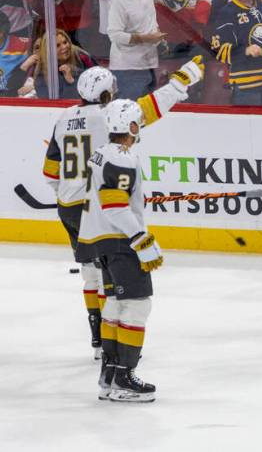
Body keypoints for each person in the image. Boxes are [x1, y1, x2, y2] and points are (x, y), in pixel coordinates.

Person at [41, 61, 203, 360]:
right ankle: (110, 346)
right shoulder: (110, 116)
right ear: (105, 94)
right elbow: (150, 107)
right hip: (99, 208)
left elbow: (51, 172)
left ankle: (96, 339)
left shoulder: (63, 118)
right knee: (111, 278)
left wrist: (69, 192)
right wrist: (181, 80)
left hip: (68, 207)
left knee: (90, 275)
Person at [77, 100, 161, 402]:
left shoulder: (102, 153)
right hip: (120, 241)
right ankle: (125, 378)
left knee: (113, 304)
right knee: (137, 305)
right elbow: (115, 206)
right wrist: (141, 238)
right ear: (131, 127)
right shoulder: (124, 158)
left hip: (101, 240)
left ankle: (110, 375)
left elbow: (112, 200)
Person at [105, 0, 167, 100]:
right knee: (129, 115)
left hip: (148, 63)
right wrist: (146, 38)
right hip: (128, 69)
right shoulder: (119, 0)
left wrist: (156, 35)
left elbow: (150, 17)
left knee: (146, 115)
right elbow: (114, 35)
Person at [18, 30, 96, 99]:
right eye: (58, 45)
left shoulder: (81, 56)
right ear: (48, 50)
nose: (64, 47)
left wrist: (71, 82)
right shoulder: (42, 68)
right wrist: (24, 66)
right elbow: (46, 98)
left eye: (65, 42)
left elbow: (94, 86)